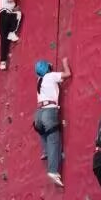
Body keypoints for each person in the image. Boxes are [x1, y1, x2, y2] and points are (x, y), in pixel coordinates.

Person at [33, 57, 70, 187]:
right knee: (54, 140)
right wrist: (65, 63)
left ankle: (46, 151)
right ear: (48, 69)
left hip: (38, 115)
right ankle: (53, 171)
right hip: (49, 111)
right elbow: (67, 74)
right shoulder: (51, 76)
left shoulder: (39, 80)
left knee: (43, 131)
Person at [0, 0, 23, 70]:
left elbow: (10, 7)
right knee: (18, 14)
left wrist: (15, 9)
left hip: (4, 17)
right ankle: (11, 33)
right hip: (4, 15)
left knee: (4, 40)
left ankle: (3, 62)